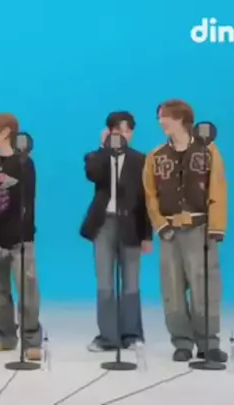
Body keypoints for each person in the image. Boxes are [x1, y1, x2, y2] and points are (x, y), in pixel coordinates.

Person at [143, 100, 228, 363]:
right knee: (172, 289)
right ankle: (181, 342)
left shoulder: (208, 150)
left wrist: (216, 226)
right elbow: (150, 194)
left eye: (165, 116)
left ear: (180, 118)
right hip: (170, 232)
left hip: (200, 228)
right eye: (159, 117)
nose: (161, 122)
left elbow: (218, 188)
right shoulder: (155, 156)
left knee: (205, 287)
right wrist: (160, 225)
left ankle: (208, 342)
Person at [80, 111, 153, 352]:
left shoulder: (141, 160)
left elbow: (146, 201)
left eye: (128, 131)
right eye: (118, 131)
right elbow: (93, 175)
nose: (123, 135)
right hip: (104, 225)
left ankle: (132, 334)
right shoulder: (97, 157)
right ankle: (108, 337)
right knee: (105, 283)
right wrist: (104, 149)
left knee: (131, 282)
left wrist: (147, 236)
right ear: (109, 132)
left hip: (131, 226)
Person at [0, 113, 43, 360]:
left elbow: (27, 200)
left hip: (20, 239)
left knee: (27, 290)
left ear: (5, 132)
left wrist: (21, 232)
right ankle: (2, 336)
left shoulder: (25, 163)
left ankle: (31, 340)